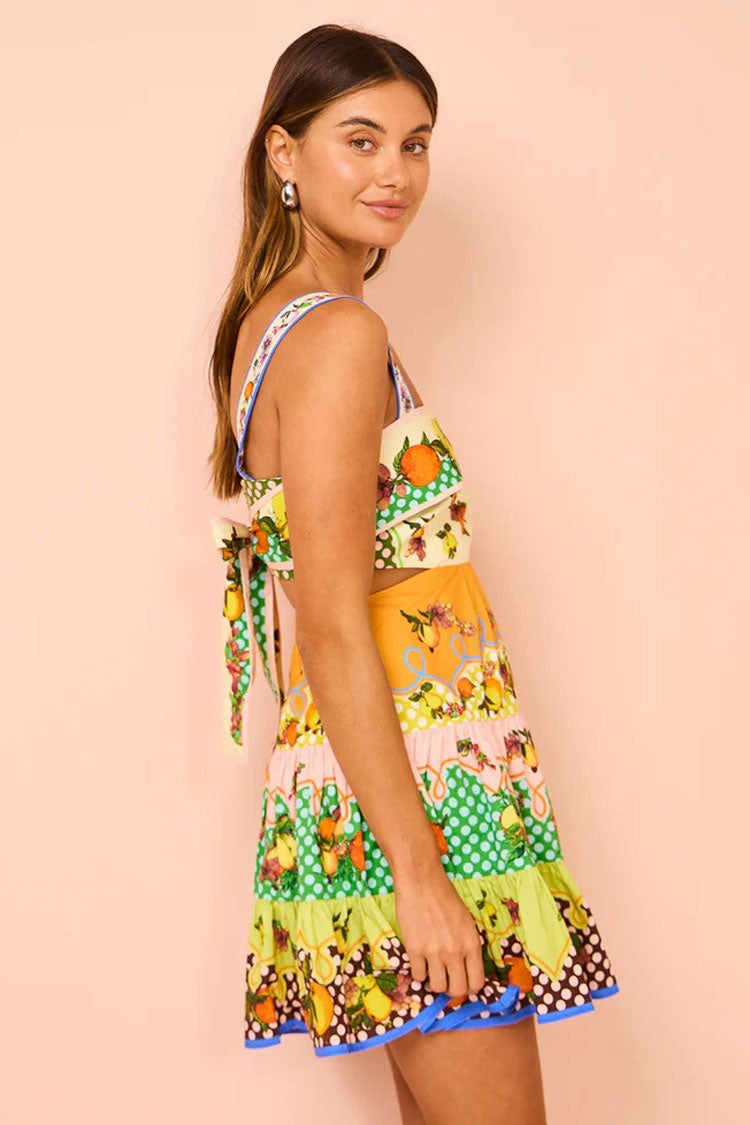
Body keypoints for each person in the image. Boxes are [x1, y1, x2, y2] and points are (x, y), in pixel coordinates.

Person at [207, 22, 619, 1125]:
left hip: (381, 780)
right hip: (417, 801)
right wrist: (422, 872)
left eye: (416, 143)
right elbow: (334, 622)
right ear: (284, 153)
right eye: (361, 140)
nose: (395, 171)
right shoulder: (338, 333)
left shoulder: (271, 327)